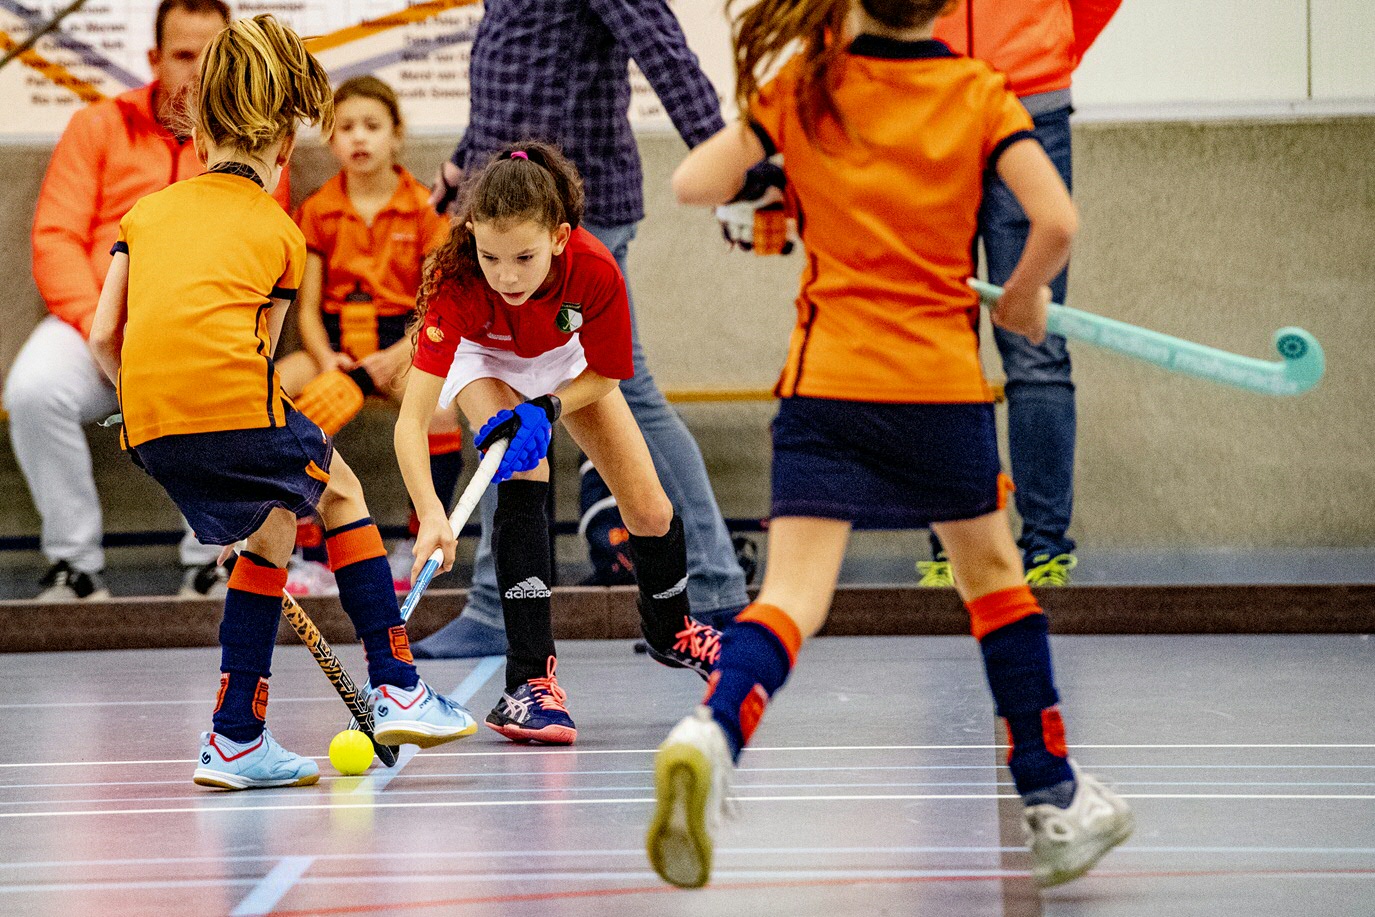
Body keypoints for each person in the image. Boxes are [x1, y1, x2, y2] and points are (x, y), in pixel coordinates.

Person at [645, 0, 1132, 890]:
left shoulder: (805, 90)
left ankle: (710, 733)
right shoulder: (980, 94)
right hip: (937, 387)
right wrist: (1023, 296)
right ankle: (1052, 796)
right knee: (993, 583)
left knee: (791, 595)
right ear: (948, 6)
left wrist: (775, 177)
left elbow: (692, 185)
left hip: (825, 383)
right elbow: (1054, 220)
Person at [86, 15, 477, 790]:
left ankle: (236, 737)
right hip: (235, 405)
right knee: (341, 490)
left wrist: (146, 412)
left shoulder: (145, 214)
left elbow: (105, 334)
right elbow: (256, 354)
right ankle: (398, 682)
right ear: (282, 148)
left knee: (269, 533)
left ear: (197, 137)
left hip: (148, 420)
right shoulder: (281, 229)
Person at [414, 0, 750, 659]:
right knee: (513, 405)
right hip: (516, 217)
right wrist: (462, 164)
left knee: (626, 395)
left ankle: (710, 585)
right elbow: (510, 79)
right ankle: (499, 604)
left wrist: (729, 167)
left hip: (569, 222)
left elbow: (665, 53)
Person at [395, 142, 723, 745]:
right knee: (525, 469)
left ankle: (672, 630)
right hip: (486, 359)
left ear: (559, 237)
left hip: (567, 367)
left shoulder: (596, 269)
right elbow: (410, 423)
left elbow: (607, 373)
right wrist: (431, 514)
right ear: (471, 237)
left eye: (524, 256)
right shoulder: (457, 281)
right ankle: (528, 683)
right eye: (492, 256)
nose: (508, 275)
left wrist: (546, 407)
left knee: (650, 509)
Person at [4, 0, 291, 601]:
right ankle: (74, 564)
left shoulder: (256, 145)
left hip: (202, 334)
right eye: (184, 56)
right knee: (33, 391)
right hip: (94, 324)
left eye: (211, 58)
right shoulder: (97, 126)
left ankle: (213, 561)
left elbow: (260, 264)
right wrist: (98, 325)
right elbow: (56, 239)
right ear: (154, 59)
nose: (196, 74)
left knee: (230, 393)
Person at [917, 0, 1122, 588]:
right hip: (927, 102)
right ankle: (954, 544)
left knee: (1036, 342)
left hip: (1031, 102)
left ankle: (1045, 548)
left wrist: (1044, 47)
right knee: (937, 346)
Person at [275, 75, 461, 595]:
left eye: (372, 126)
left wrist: (396, 356)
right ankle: (308, 550)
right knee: (274, 395)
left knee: (442, 408)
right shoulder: (317, 209)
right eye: (346, 127)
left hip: (400, 343)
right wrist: (327, 358)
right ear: (330, 140)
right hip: (331, 345)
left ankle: (416, 541)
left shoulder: (426, 207)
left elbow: (435, 309)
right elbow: (305, 311)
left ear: (396, 135)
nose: (359, 138)